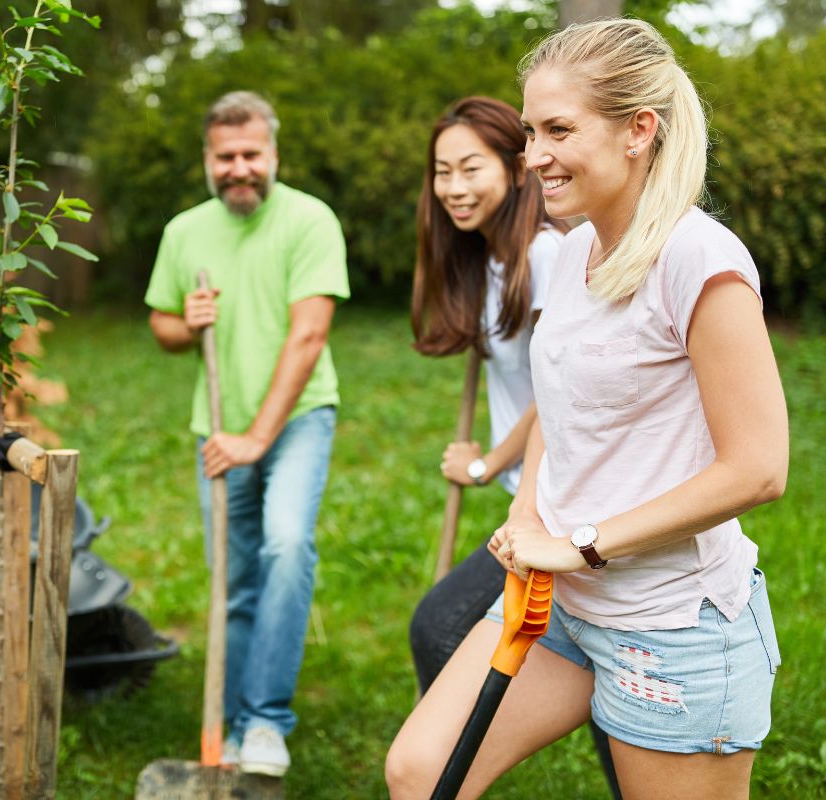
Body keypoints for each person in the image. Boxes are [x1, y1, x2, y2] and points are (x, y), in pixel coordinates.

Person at [386, 18, 787, 799]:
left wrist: (583, 543)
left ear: (640, 130)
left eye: (558, 130)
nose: (533, 155)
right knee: (420, 771)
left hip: (669, 625)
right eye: (531, 130)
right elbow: (557, 407)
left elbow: (759, 468)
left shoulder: (700, 260)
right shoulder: (572, 252)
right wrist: (532, 512)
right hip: (561, 604)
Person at [145, 90, 350, 777]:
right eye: (226, 156)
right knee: (232, 581)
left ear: (274, 154)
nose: (240, 168)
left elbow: (309, 334)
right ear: (208, 159)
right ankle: (230, 727)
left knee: (287, 545)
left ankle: (265, 720)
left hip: (295, 420)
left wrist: (258, 438)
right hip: (218, 425)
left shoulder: (310, 220)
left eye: (251, 155)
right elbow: (162, 328)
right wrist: (189, 321)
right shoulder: (184, 232)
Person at [406, 95, 568, 692]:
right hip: (534, 495)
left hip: (560, 497)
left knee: (440, 627)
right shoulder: (494, 257)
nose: (454, 187)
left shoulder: (546, 252)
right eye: (442, 172)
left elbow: (561, 387)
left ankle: (443, 767)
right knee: (598, 666)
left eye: (471, 168)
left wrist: (484, 463)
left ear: (515, 164)